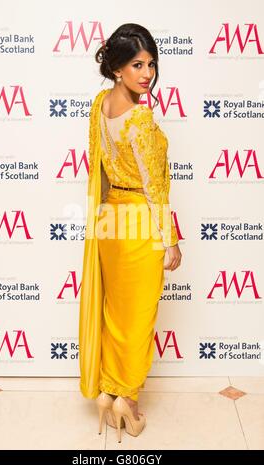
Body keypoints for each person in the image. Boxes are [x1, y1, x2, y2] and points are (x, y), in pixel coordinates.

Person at [79, 23, 182, 443]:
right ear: (117, 67)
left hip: (110, 221)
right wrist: (170, 239)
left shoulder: (101, 104)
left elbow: (99, 168)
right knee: (137, 319)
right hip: (139, 221)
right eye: (137, 64)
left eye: (151, 64)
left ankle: (109, 390)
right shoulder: (140, 117)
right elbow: (154, 185)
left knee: (115, 313)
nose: (147, 74)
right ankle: (128, 402)